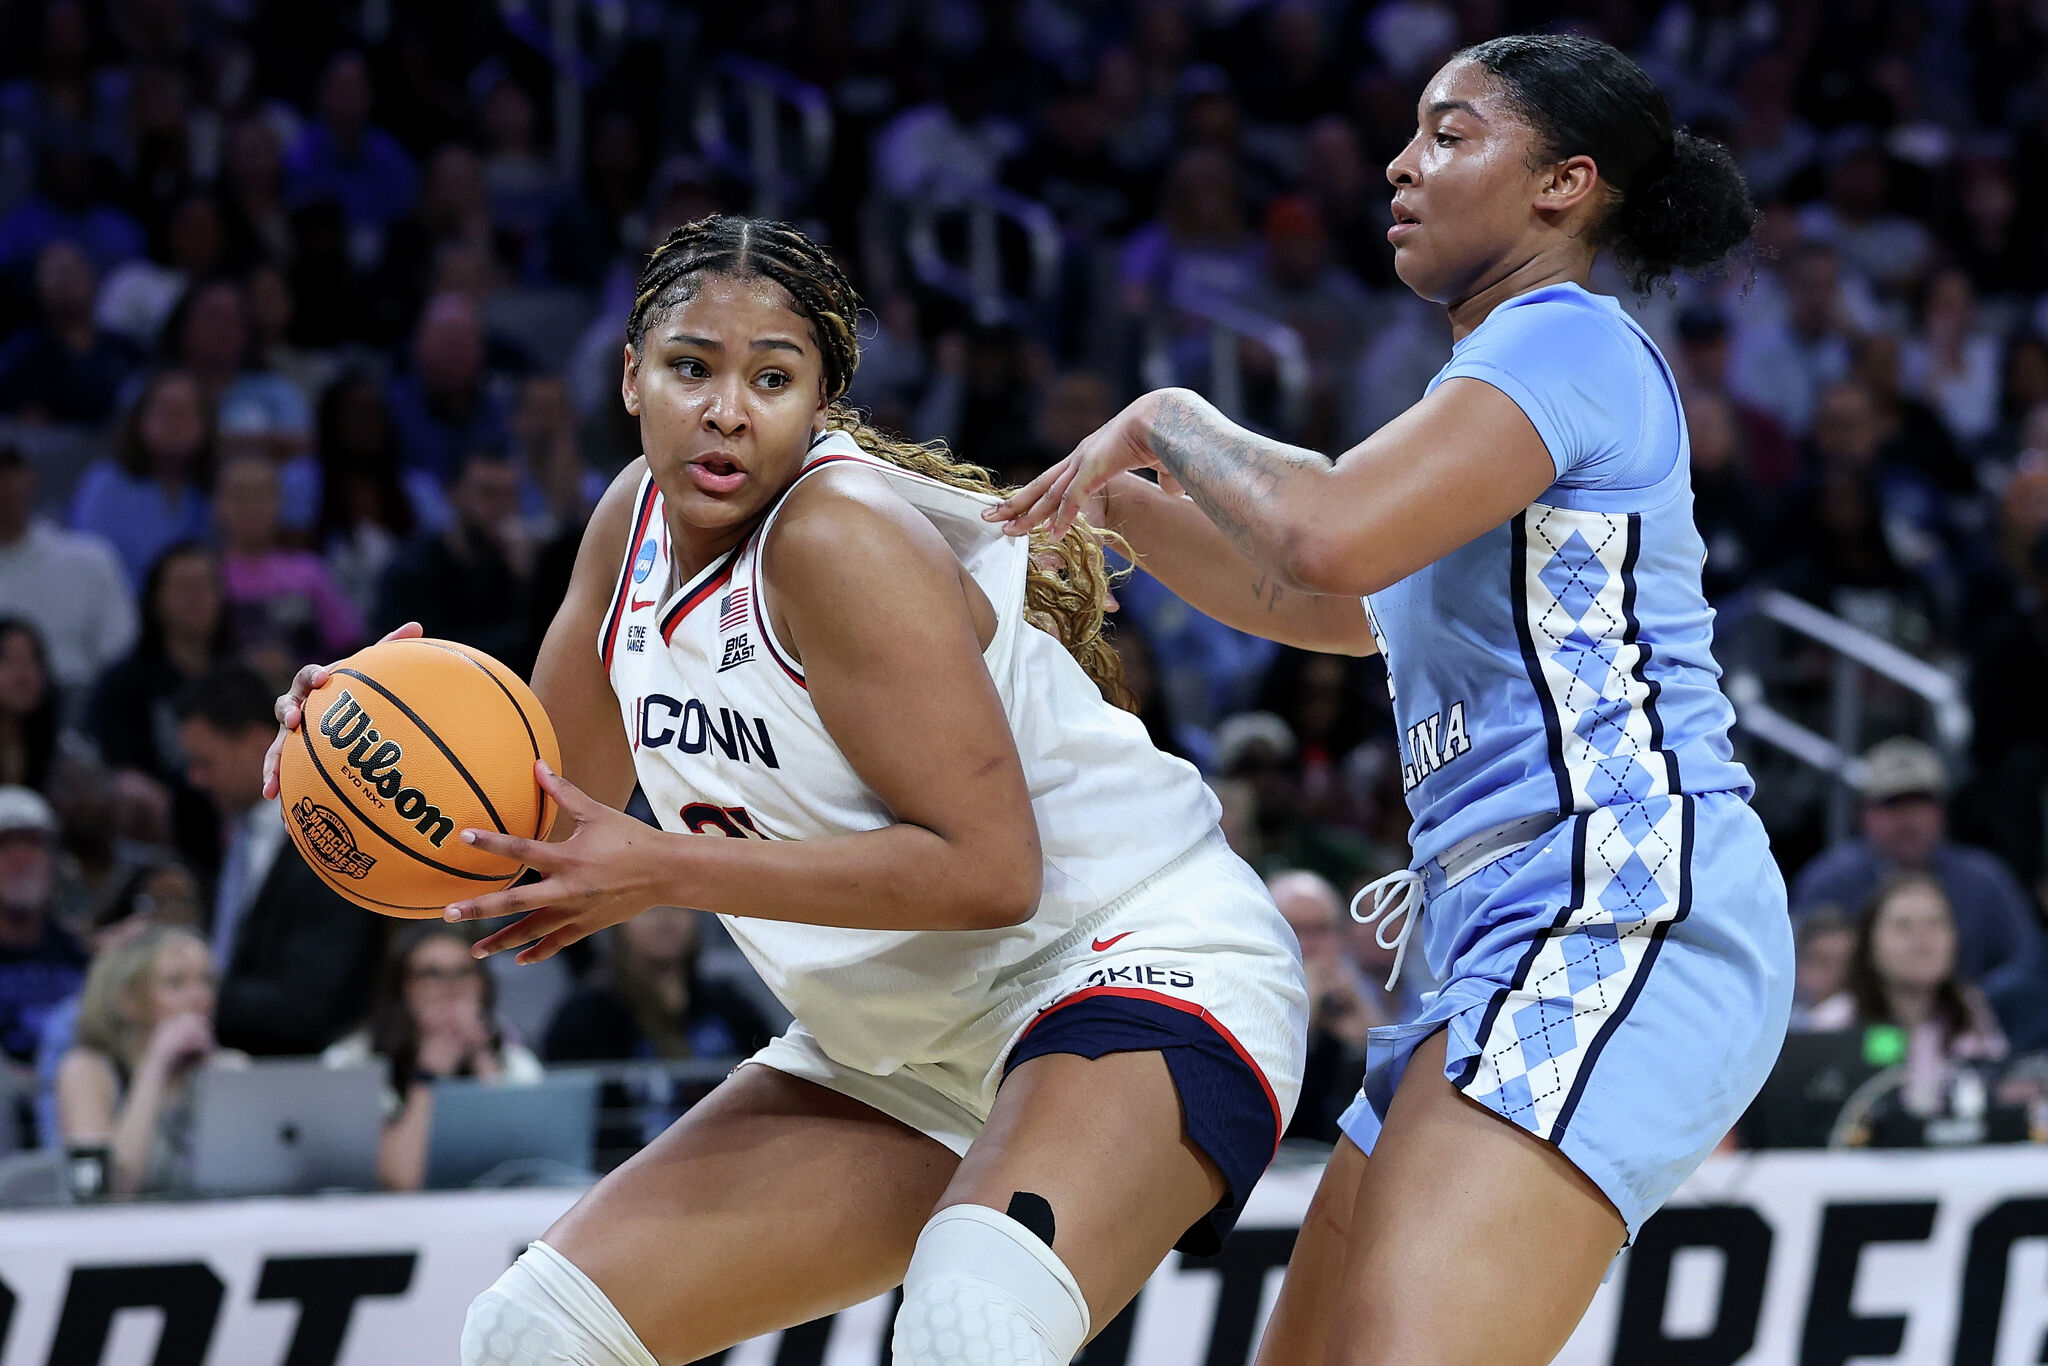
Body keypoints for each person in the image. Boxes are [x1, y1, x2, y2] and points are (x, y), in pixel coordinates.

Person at [266, 214, 1306, 1366]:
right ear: (629, 379)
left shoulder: (836, 539)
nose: (725, 409)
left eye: (771, 378)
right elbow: (527, 840)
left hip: (1127, 962)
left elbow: (989, 871)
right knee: (531, 1337)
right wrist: (356, 743)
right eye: (689, 368)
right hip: (897, 1045)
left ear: (818, 404)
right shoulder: (629, 528)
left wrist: (666, 869)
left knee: (971, 1332)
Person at [992, 34, 1793, 1364]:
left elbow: (1325, 534)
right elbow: (1320, 607)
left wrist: (1165, 415)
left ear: (1564, 184)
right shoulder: (1493, 394)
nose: (1400, 161)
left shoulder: (1569, 341)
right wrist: (1081, 517)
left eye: (1452, 131)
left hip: (1613, 898)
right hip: (1487, 929)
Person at [177, 666, 379, 1056]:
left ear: (256, 743)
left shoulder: (330, 836)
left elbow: (309, 1004)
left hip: (305, 1071)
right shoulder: (218, 828)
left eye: (205, 762)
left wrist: (183, 995)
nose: (194, 779)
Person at [1790, 737, 2040, 982]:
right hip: (1854, 1019)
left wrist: (1965, 1008)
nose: (1908, 819)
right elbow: (1799, 973)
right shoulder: (1829, 882)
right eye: (1892, 803)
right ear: (1864, 814)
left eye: (1920, 802)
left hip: (1967, 1017)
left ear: (1942, 812)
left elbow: (2024, 964)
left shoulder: (1984, 879)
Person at [323, 924, 545, 1192]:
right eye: (431, 974)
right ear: (402, 987)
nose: (450, 988)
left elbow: (523, 1168)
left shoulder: (513, 1058)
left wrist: (482, 1062)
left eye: (464, 972)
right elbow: (400, 1179)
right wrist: (428, 1074)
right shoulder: (352, 1061)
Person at [54, 925, 228, 1196]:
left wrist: (218, 1076)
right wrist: (156, 1065)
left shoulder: (228, 1070)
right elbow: (106, 1193)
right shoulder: (86, 1071)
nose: (200, 997)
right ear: (128, 1001)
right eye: (176, 983)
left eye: (206, 981)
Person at [1807, 875, 2007, 1064]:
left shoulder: (1971, 1011)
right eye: (1903, 926)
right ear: (1869, 943)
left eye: (1935, 923)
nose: (1922, 938)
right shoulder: (1833, 1024)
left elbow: (1997, 1084)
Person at [0, 445, 136, 696]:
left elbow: (121, 653)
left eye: (11, 471)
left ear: (29, 477)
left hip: (84, 707)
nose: (6, 485)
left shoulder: (90, 558)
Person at [68, 369, 215, 589]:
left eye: (186, 414)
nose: (176, 425)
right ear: (140, 420)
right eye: (166, 413)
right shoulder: (104, 484)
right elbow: (88, 566)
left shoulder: (217, 486)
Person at [0, 786, 86, 1145]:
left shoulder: (77, 951)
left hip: (69, 1099)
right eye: (6, 846)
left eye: (34, 844)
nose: (22, 858)